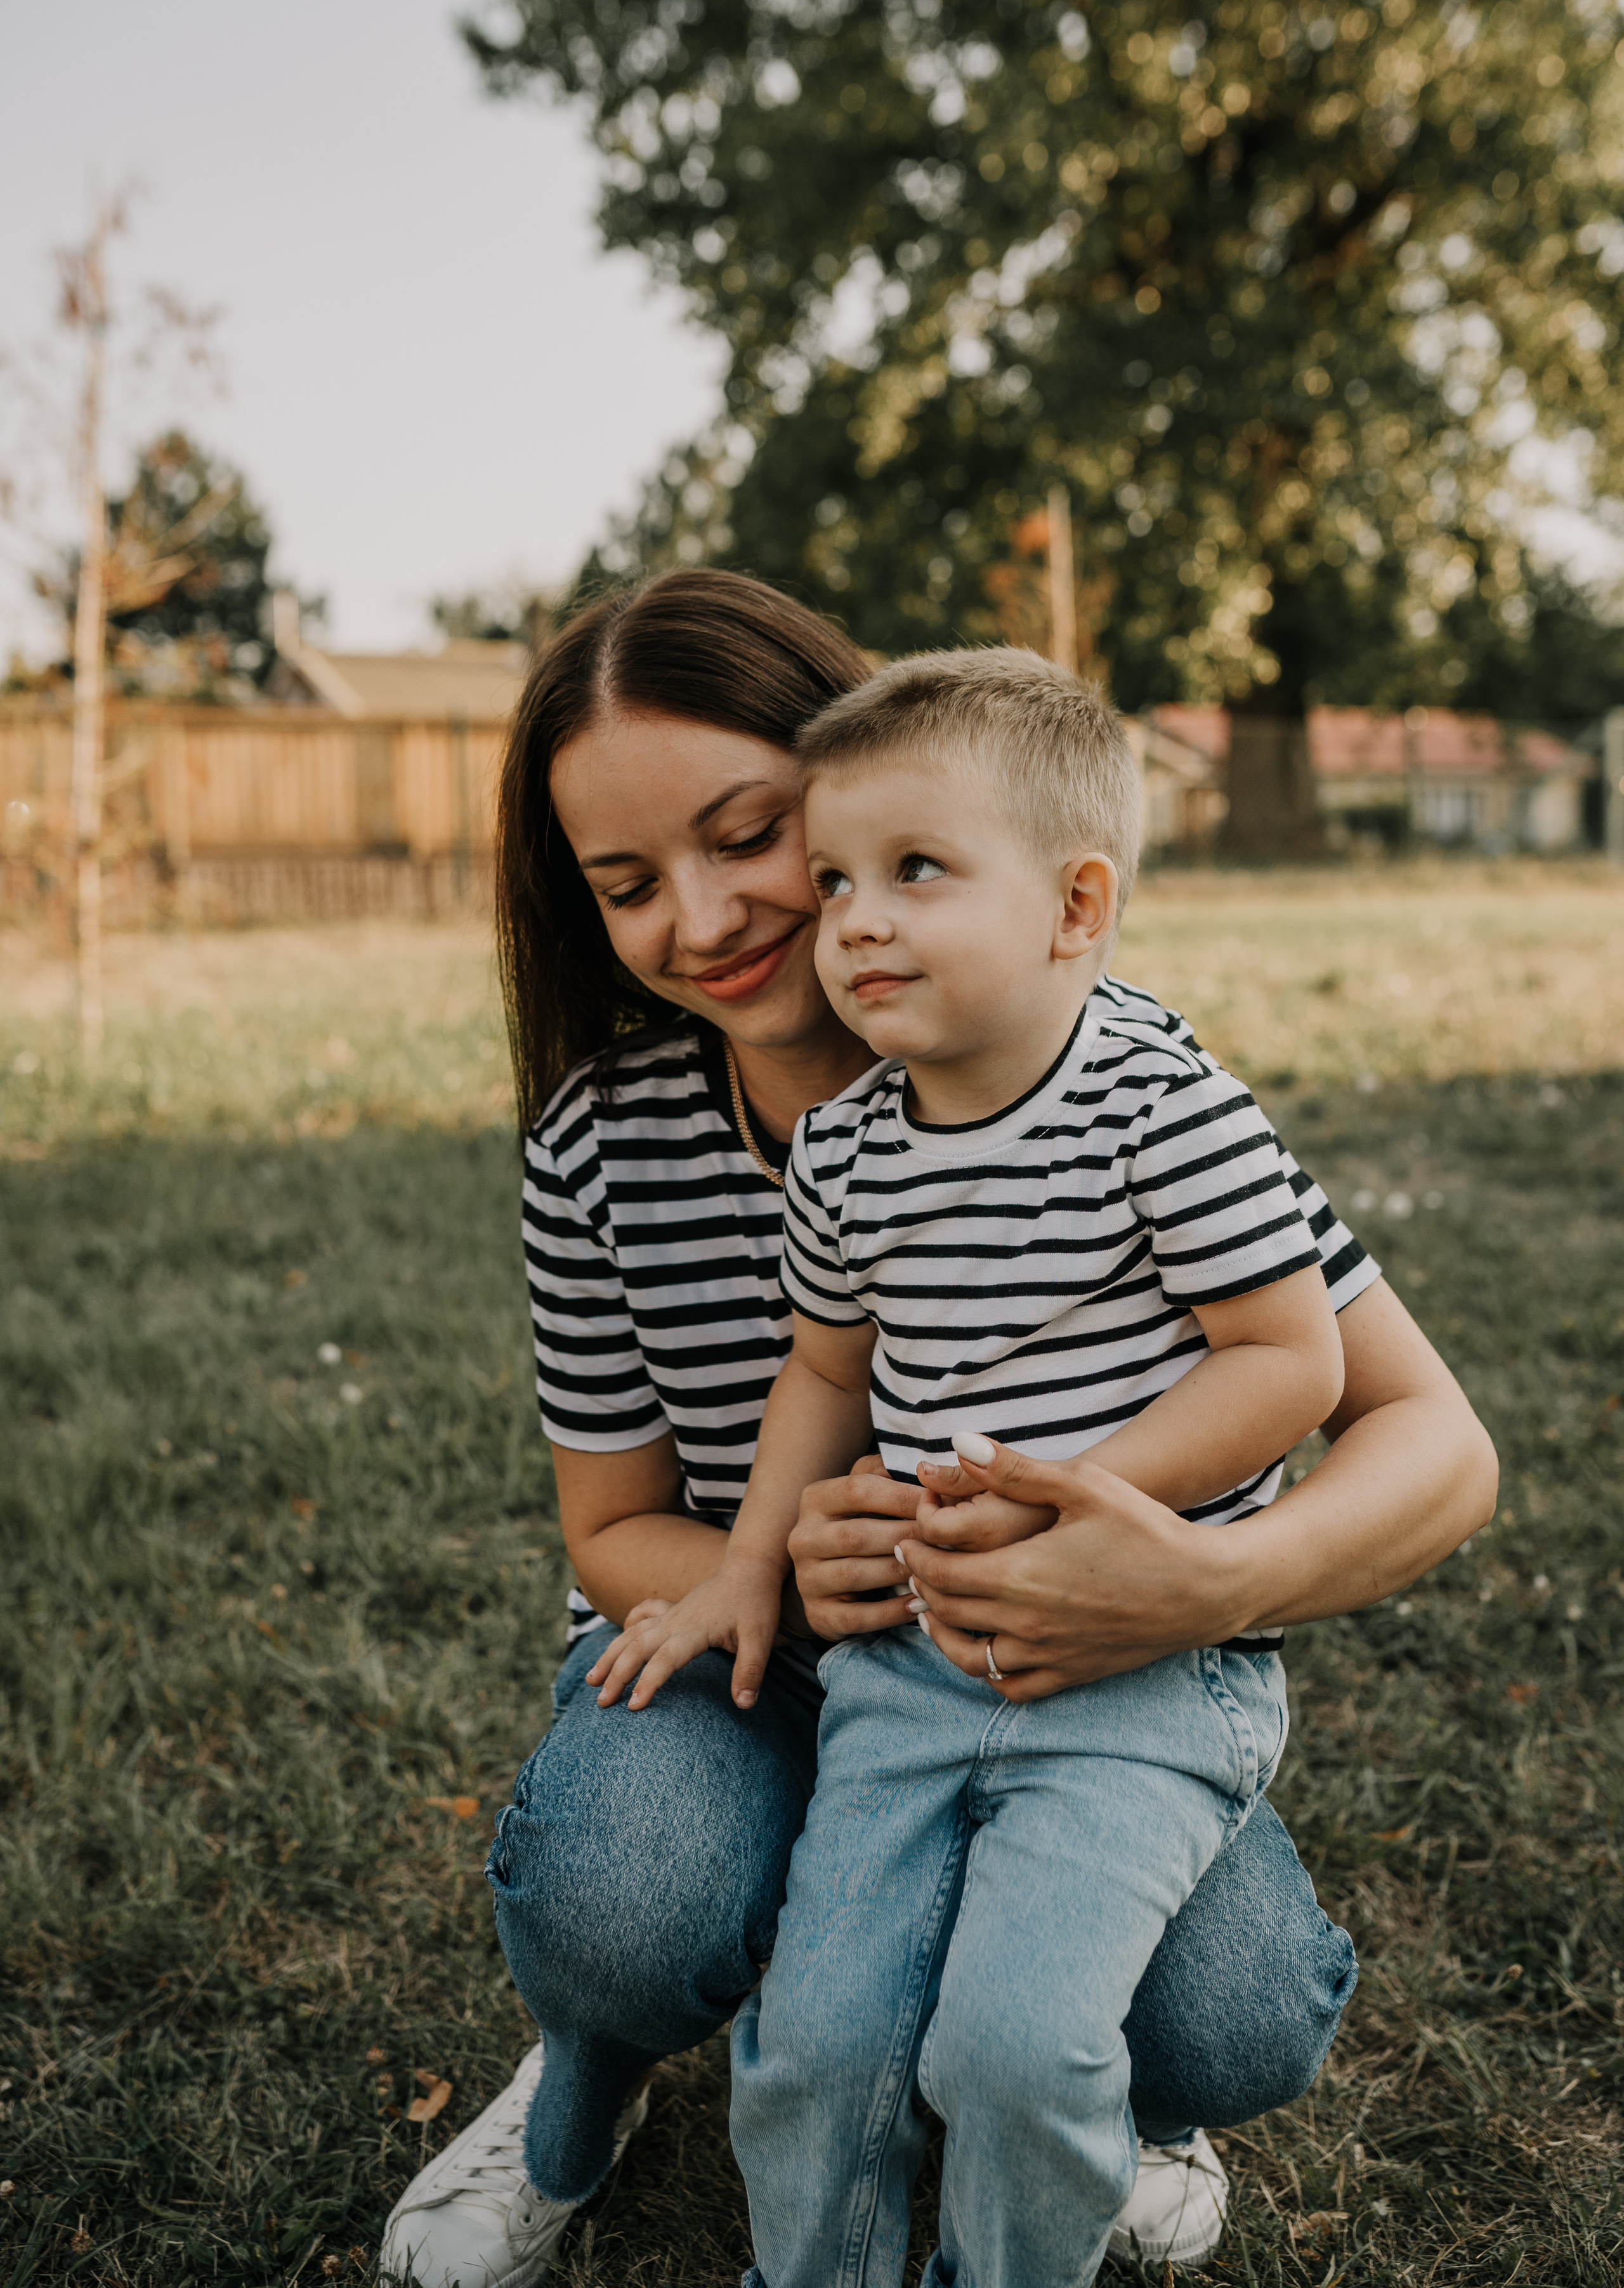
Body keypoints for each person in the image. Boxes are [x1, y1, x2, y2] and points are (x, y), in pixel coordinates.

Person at [380, 571, 1496, 2288]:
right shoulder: (602, 1142)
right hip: (750, 1668)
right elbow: (611, 1532)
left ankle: (1070, 2068)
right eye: (623, 884)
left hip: (1065, 1672)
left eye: (748, 835)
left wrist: (1195, 1585)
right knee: (630, 1894)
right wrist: (795, 1563)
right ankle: (586, 2078)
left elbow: (1438, 1443)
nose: (704, 916)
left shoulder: (1109, 1080)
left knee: (1246, 2011)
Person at [584, 647, 1340, 2288]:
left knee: (1016, 2047)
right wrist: (746, 1566)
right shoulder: (852, 1149)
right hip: (911, 1674)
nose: (852, 919)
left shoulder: (1161, 1102)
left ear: (1077, 908)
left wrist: (1098, 1508)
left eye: (913, 873)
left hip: (1144, 1661)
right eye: (839, 874)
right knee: (825, 2036)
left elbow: (1295, 1360)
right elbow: (823, 1370)